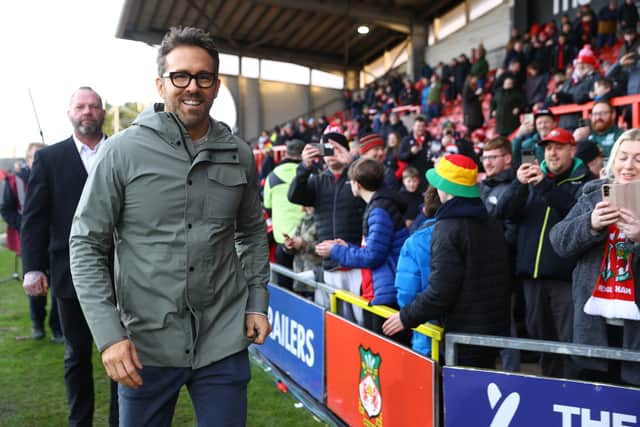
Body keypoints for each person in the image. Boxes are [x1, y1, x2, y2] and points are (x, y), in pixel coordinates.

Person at [68, 27, 271, 426]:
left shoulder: (239, 154)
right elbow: (86, 243)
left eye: (203, 77)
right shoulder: (121, 151)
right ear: (161, 84)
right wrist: (110, 336)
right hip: (144, 343)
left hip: (222, 339)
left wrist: (256, 300)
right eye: (180, 76)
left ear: (215, 86)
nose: (192, 86)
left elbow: (250, 232)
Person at [20, 87, 119, 426]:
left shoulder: (122, 151)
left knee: (123, 351)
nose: (87, 112)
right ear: (70, 114)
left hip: (125, 271)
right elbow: (34, 216)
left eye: (93, 106)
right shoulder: (49, 158)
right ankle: (81, 422)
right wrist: (33, 267)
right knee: (77, 354)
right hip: (70, 272)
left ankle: (121, 420)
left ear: (103, 112)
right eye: (81, 106)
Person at [382, 154, 511, 368]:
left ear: (446, 188)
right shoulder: (489, 221)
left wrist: (406, 317)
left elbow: (441, 291)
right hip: (493, 328)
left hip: (465, 333)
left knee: (463, 397)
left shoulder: (448, 228)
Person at [497, 127, 594, 379]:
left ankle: (573, 394)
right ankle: (550, 393)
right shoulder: (531, 180)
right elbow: (505, 213)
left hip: (566, 278)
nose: (552, 153)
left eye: (558, 147)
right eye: (548, 147)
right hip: (532, 277)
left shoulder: (585, 181)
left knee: (570, 343)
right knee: (542, 341)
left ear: (572, 150)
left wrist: (545, 186)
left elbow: (576, 215)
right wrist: (519, 184)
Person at [550, 129, 640, 386]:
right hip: (594, 325)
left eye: (638, 159)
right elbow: (559, 242)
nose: (629, 166)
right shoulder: (593, 194)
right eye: (623, 157)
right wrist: (590, 224)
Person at [316, 158, 409, 338]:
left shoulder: (379, 210)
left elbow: (373, 256)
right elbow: (375, 248)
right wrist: (347, 247)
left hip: (386, 290)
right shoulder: (379, 206)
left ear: (357, 185)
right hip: (381, 288)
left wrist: (335, 251)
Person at [288, 131, 366, 323]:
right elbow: (294, 195)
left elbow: (380, 187)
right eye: (326, 150)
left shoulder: (358, 178)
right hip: (329, 264)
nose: (330, 155)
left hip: (357, 263)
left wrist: (352, 163)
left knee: (361, 323)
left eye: (335, 149)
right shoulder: (318, 180)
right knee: (334, 322)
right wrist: (304, 167)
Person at [1, 142, 62, 342]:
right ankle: (37, 324)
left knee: (58, 287)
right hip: (31, 242)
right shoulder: (14, 181)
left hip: (56, 239)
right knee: (35, 284)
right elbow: (7, 209)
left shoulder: (56, 175)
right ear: (27, 160)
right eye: (35, 157)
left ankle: (58, 328)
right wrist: (25, 225)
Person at [394, 186, 441, 357]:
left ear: (424, 210)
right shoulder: (468, 231)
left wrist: (408, 315)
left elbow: (406, 292)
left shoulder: (415, 240)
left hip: (425, 324)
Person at [263, 139, 306, 290]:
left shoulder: (272, 176)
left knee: (286, 290)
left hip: (283, 240)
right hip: (307, 241)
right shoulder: (311, 173)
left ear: (286, 154)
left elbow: (267, 206)